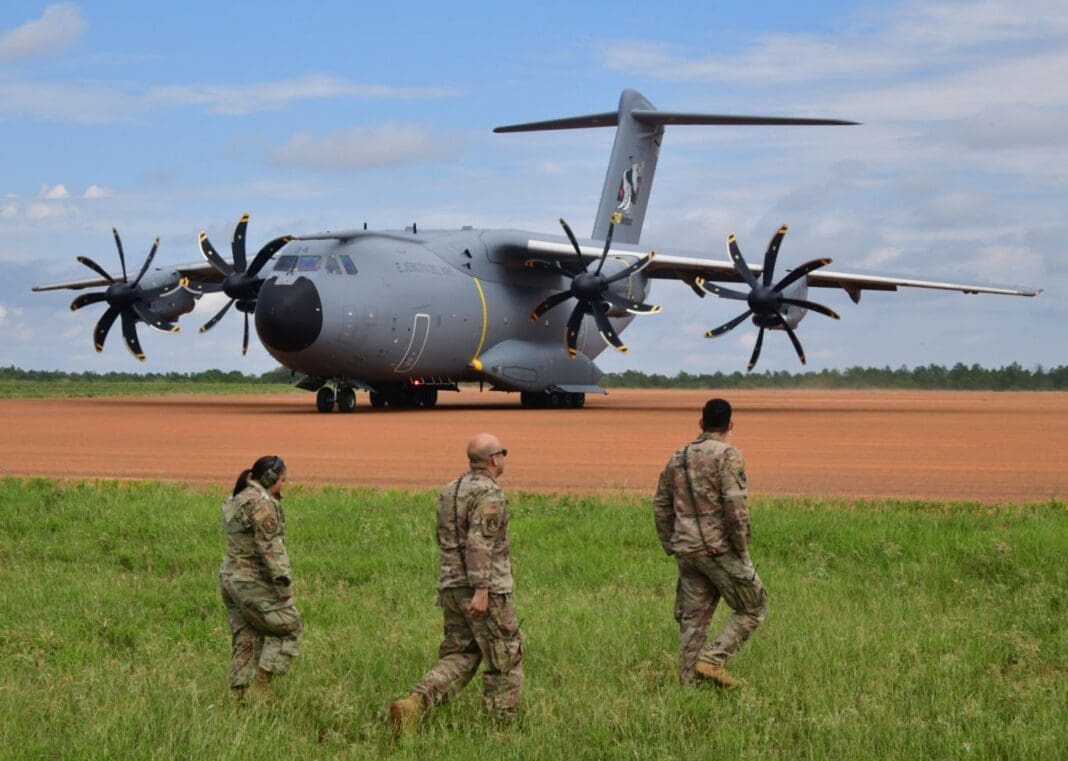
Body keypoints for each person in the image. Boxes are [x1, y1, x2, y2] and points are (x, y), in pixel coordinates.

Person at [390, 433, 524, 735]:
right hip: (484, 590)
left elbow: (442, 536)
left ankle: (414, 705)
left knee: (461, 653)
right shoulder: (490, 494)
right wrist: (481, 590)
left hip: (451, 585)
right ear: (494, 459)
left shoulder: (450, 490)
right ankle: (500, 730)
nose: (504, 458)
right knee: (505, 657)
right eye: (503, 453)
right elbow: (480, 543)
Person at [653, 398, 768, 688]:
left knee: (693, 619)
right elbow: (735, 505)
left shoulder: (678, 456)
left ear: (701, 423)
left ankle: (687, 683)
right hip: (719, 550)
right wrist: (741, 548)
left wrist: (671, 542)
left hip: (686, 550)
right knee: (754, 606)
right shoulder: (728, 455)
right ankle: (713, 659)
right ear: (730, 425)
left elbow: (661, 505)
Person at [219, 455, 302, 701]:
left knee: (246, 636)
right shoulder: (262, 504)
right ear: (270, 478)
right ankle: (262, 687)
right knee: (289, 626)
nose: (283, 486)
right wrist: (284, 584)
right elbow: (271, 548)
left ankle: (238, 698)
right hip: (250, 580)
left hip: (229, 580)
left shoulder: (237, 498)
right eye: (282, 480)